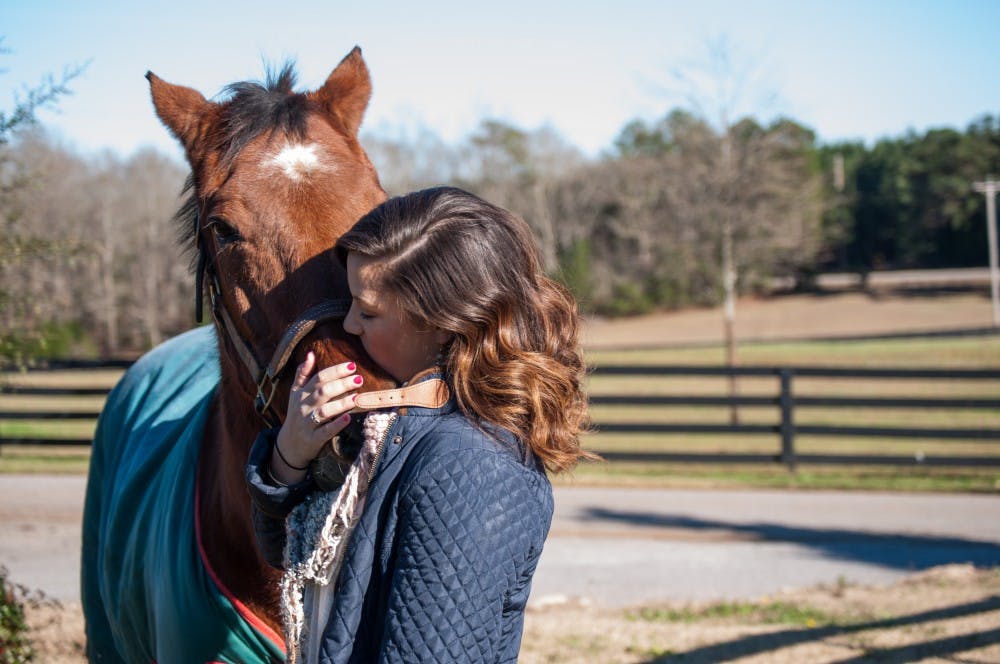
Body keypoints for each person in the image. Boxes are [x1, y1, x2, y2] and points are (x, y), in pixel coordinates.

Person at [245, 186, 592, 663]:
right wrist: (290, 456)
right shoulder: (394, 429)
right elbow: (288, 556)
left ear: (445, 320)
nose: (348, 325)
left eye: (368, 311)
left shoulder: (474, 469)